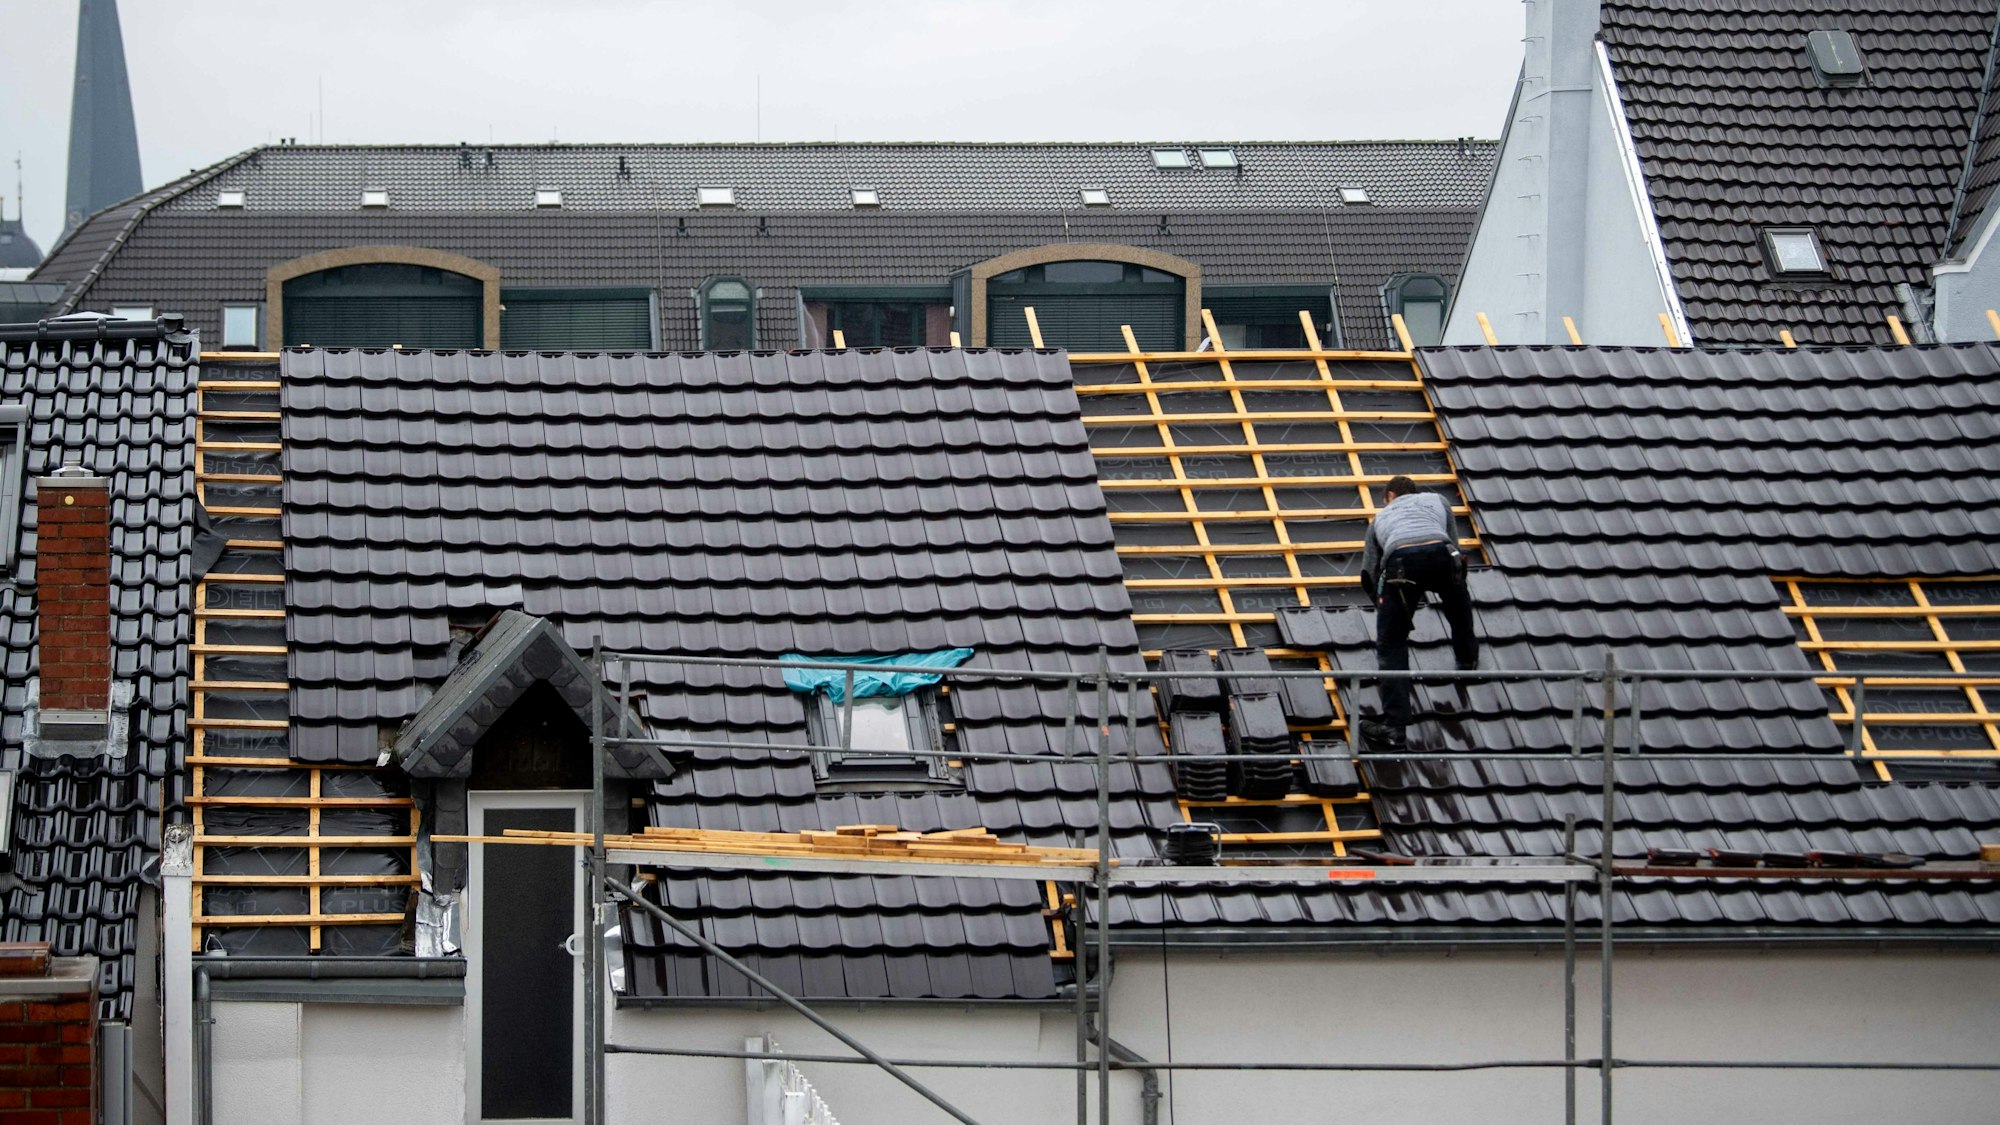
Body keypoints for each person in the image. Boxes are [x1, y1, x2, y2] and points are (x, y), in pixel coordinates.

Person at [1358, 475, 1478, 748]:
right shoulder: (1438, 500)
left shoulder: (1381, 518)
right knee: (1458, 605)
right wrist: (1456, 580)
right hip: (1442, 553)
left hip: (1401, 562)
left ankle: (1394, 729)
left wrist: (1385, 606)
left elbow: (1369, 571)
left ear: (1390, 495)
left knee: (1391, 644)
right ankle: (1468, 660)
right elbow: (1454, 546)